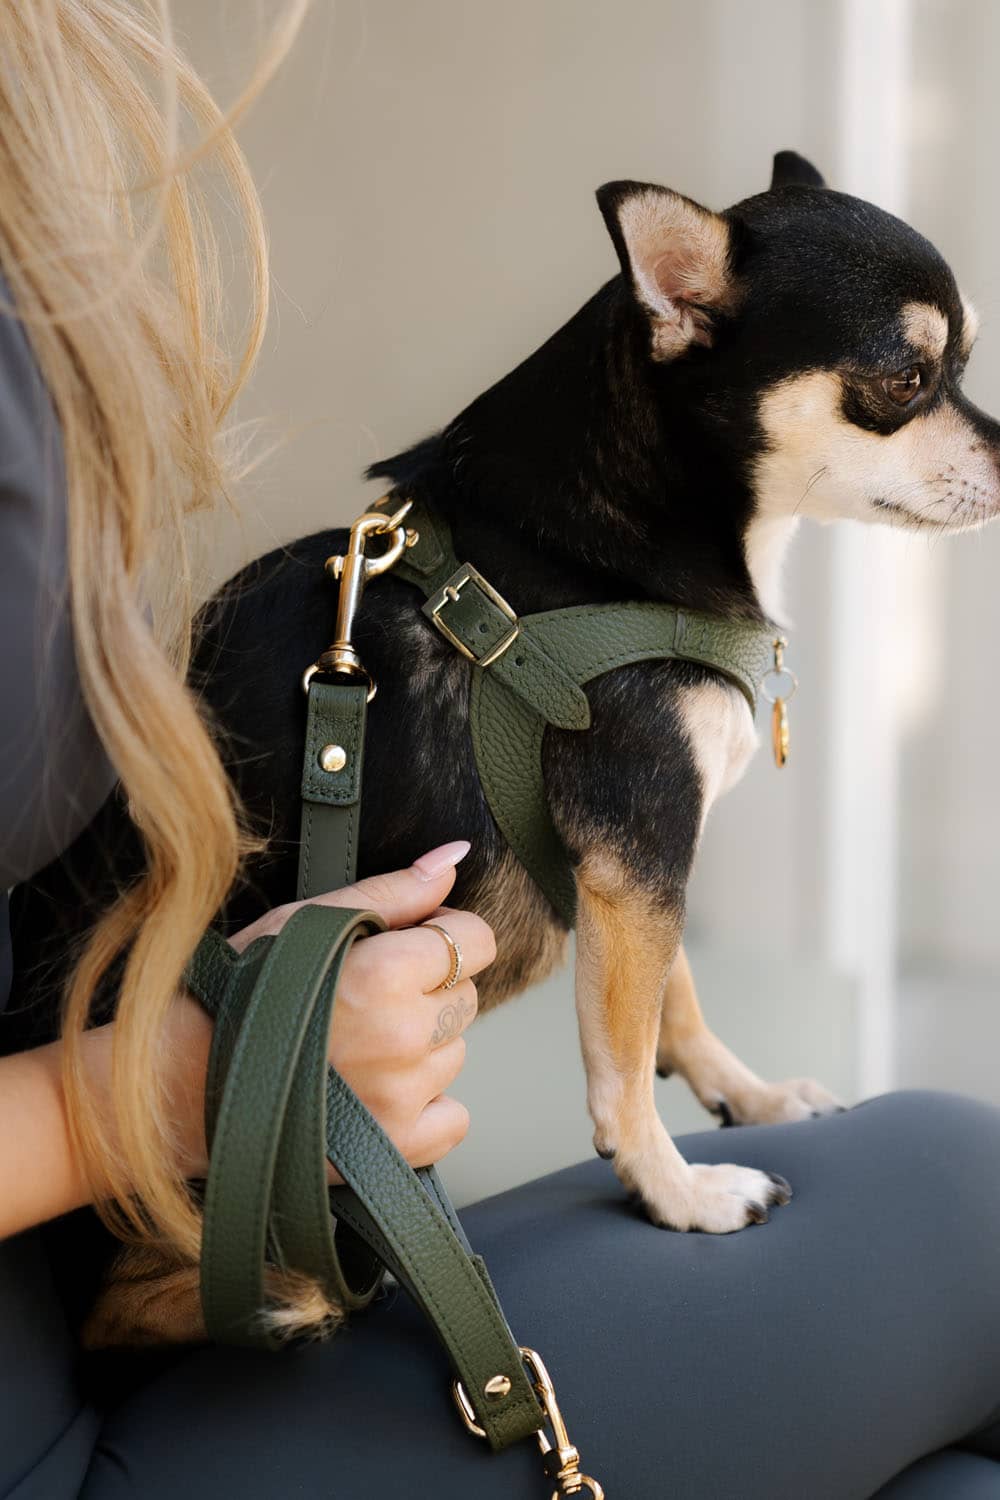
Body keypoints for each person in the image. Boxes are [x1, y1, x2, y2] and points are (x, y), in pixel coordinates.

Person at [2, 5, 1000, 1496]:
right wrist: (178, 1086)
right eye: (906, 386)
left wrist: (701, 1055)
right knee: (967, 1204)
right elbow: (631, 872)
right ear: (682, 305)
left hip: (155, 1261)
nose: (962, 436)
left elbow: (631, 855)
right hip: (111, 1334)